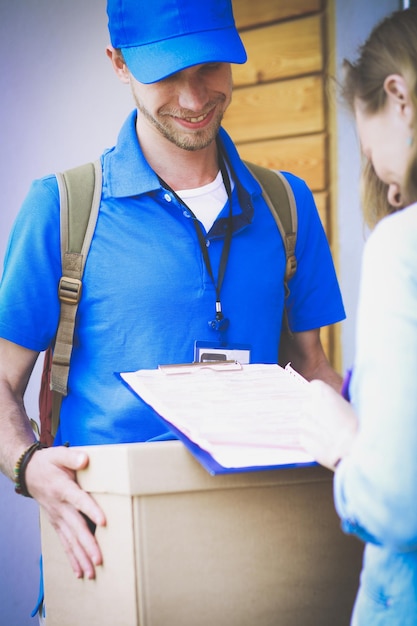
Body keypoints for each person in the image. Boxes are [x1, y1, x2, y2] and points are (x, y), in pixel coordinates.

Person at [0, 0, 344, 587]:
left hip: (268, 546)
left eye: (210, 66)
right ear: (118, 63)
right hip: (109, 553)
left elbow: (313, 366)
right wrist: (28, 466)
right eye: (167, 74)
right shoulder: (60, 208)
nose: (193, 98)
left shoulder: (287, 204)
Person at [300, 7, 417, 625]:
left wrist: (347, 441)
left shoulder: (402, 248)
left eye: (367, 143)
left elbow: (397, 505)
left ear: (398, 97)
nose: (377, 174)